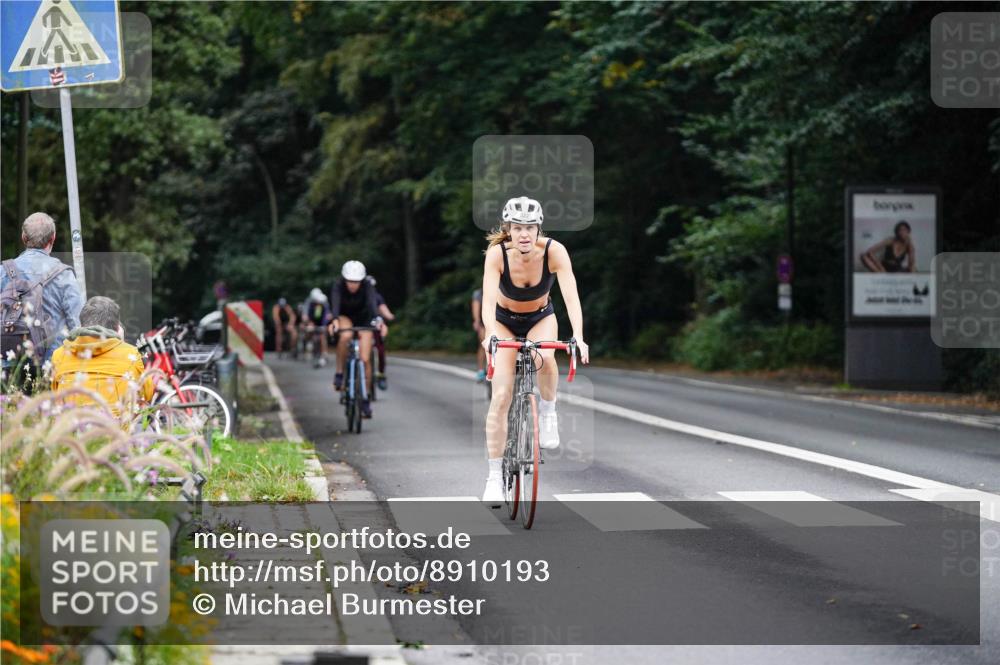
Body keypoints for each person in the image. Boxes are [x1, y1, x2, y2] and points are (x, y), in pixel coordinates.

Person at [479, 196, 590, 504]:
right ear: (508, 229)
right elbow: (488, 300)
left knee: (545, 356)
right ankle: (493, 476)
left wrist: (578, 335)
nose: (524, 234)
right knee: (500, 397)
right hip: (503, 321)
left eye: (530, 227)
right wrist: (489, 333)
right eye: (517, 227)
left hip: (540, 317)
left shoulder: (554, 251)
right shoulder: (496, 254)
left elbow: (571, 296)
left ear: (539, 228)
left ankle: (548, 410)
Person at [1, 212, 83, 391]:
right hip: (51, 366)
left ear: (23, 237)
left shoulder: (3, 272)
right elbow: (77, 325)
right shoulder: (64, 275)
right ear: (52, 238)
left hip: (9, 364)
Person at [50, 296, 154, 417]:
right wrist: (121, 343)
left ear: (82, 325)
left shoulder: (59, 355)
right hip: (116, 432)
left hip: (71, 431)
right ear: (117, 328)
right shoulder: (130, 355)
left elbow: (54, 395)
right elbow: (147, 394)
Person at [327, 261, 383, 418]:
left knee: (365, 359)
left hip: (364, 319)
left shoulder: (367, 286)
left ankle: (365, 398)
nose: (353, 285)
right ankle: (339, 373)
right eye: (350, 281)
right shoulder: (338, 286)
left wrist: (378, 320)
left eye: (356, 281)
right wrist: (335, 320)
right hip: (345, 317)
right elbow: (335, 305)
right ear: (344, 279)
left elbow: (373, 304)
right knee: (345, 336)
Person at [366, 276, 395, 391]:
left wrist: (390, 316)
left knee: (380, 349)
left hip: (375, 325)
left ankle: (381, 374)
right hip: (361, 325)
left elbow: (383, 308)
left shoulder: (377, 297)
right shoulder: (357, 297)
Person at [303, 288, 332, 368]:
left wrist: (325, 324)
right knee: (308, 332)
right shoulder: (309, 302)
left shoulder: (324, 302)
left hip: (321, 322)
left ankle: (324, 353)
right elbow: (305, 314)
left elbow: (327, 315)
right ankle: (308, 349)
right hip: (311, 321)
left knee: (323, 336)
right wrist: (308, 322)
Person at [471, 289, 486, 382]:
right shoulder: (479, 293)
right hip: (483, 323)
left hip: (498, 321)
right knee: (483, 344)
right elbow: (476, 308)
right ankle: (480, 371)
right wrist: (476, 321)